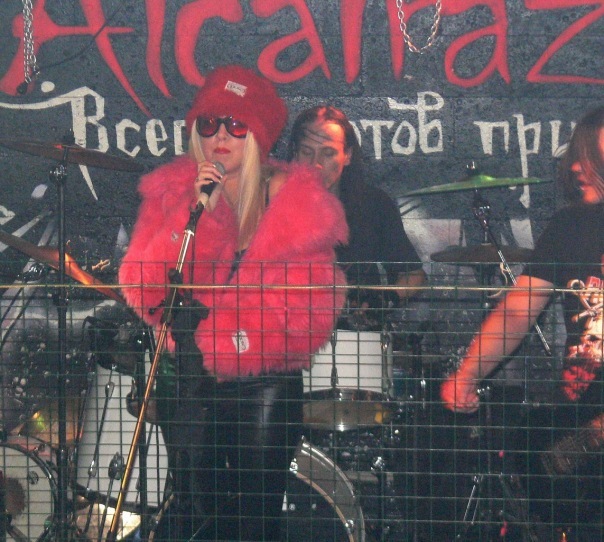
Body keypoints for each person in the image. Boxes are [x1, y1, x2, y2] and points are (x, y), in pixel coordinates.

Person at [118, 65, 348, 541]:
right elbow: (144, 289)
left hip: (262, 382)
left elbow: (310, 315)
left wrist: (231, 342)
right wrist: (201, 214)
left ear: (258, 135)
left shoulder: (295, 200)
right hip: (190, 380)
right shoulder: (177, 191)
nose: (220, 136)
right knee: (197, 512)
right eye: (209, 124)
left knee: (256, 518)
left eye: (236, 125)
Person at [441, 105, 604, 538]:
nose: (576, 167)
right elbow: (517, 310)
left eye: (589, 154)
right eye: (577, 154)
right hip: (584, 425)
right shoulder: (571, 226)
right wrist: (468, 372)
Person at [287, 105, 425, 332]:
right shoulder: (274, 203)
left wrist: (385, 299)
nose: (316, 163)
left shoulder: (374, 204)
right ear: (295, 154)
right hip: (288, 336)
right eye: (307, 152)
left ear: (347, 155)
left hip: (356, 336)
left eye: (328, 153)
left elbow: (414, 275)